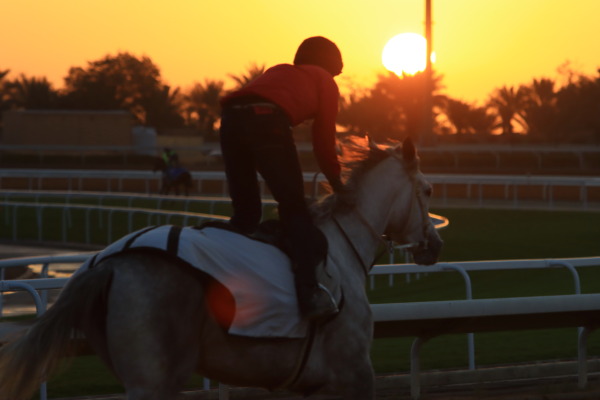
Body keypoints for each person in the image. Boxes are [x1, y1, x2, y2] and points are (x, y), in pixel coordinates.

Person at [219, 36, 349, 321]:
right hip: (266, 119)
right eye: (336, 70)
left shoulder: (279, 70)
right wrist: (339, 185)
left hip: (229, 119)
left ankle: (227, 282)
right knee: (295, 210)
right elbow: (324, 144)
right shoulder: (324, 80)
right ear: (328, 65)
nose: (336, 76)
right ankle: (308, 294)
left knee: (246, 215)